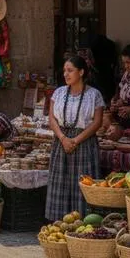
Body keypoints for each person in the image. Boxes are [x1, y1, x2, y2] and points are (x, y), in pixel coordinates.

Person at [45, 56, 105, 221]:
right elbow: (52, 119)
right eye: (65, 70)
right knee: (61, 181)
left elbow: (97, 122)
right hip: (61, 142)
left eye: (70, 70)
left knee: (82, 182)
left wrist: (76, 140)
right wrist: (63, 138)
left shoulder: (94, 95)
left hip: (84, 142)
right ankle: (59, 220)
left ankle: (84, 219)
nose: (66, 74)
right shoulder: (58, 93)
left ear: (81, 72)